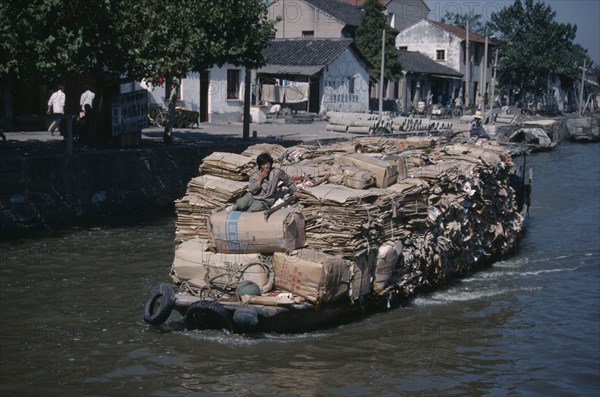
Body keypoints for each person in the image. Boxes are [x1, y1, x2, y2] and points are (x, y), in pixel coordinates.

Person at [229, 152, 300, 212]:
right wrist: (260, 179)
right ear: (260, 166)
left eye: (267, 163)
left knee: (254, 209)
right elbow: (252, 190)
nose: (266, 166)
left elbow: (288, 180)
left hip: (266, 200)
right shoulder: (255, 174)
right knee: (240, 204)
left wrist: (294, 190)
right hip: (253, 196)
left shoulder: (276, 172)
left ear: (271, 163)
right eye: (263, 164)